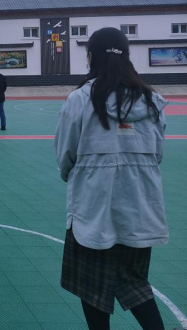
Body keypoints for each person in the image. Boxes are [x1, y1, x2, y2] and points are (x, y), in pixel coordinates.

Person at [55, 27, 168, 330]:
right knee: (134, 281)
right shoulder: (152, 101)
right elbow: (157, 154)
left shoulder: (80, 99)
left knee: (91, 288)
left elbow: (65, 155)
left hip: (93, 208)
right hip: (139, 208)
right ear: (127, 57)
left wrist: (76, 175)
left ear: (91, 56)